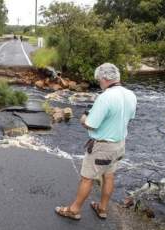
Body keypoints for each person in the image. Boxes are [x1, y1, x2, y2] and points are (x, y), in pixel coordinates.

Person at [55, 63, 137, 220]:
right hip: (120, 145)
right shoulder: (131, 95)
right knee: (109, 175)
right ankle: (102, 208)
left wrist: (84, 118)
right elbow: (128, 118)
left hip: (102, 147)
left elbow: (90, 124)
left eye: (99, 79)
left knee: (87, 178)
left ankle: (74, 210)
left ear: (105, 78)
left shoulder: (105, 97)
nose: (98, 82)